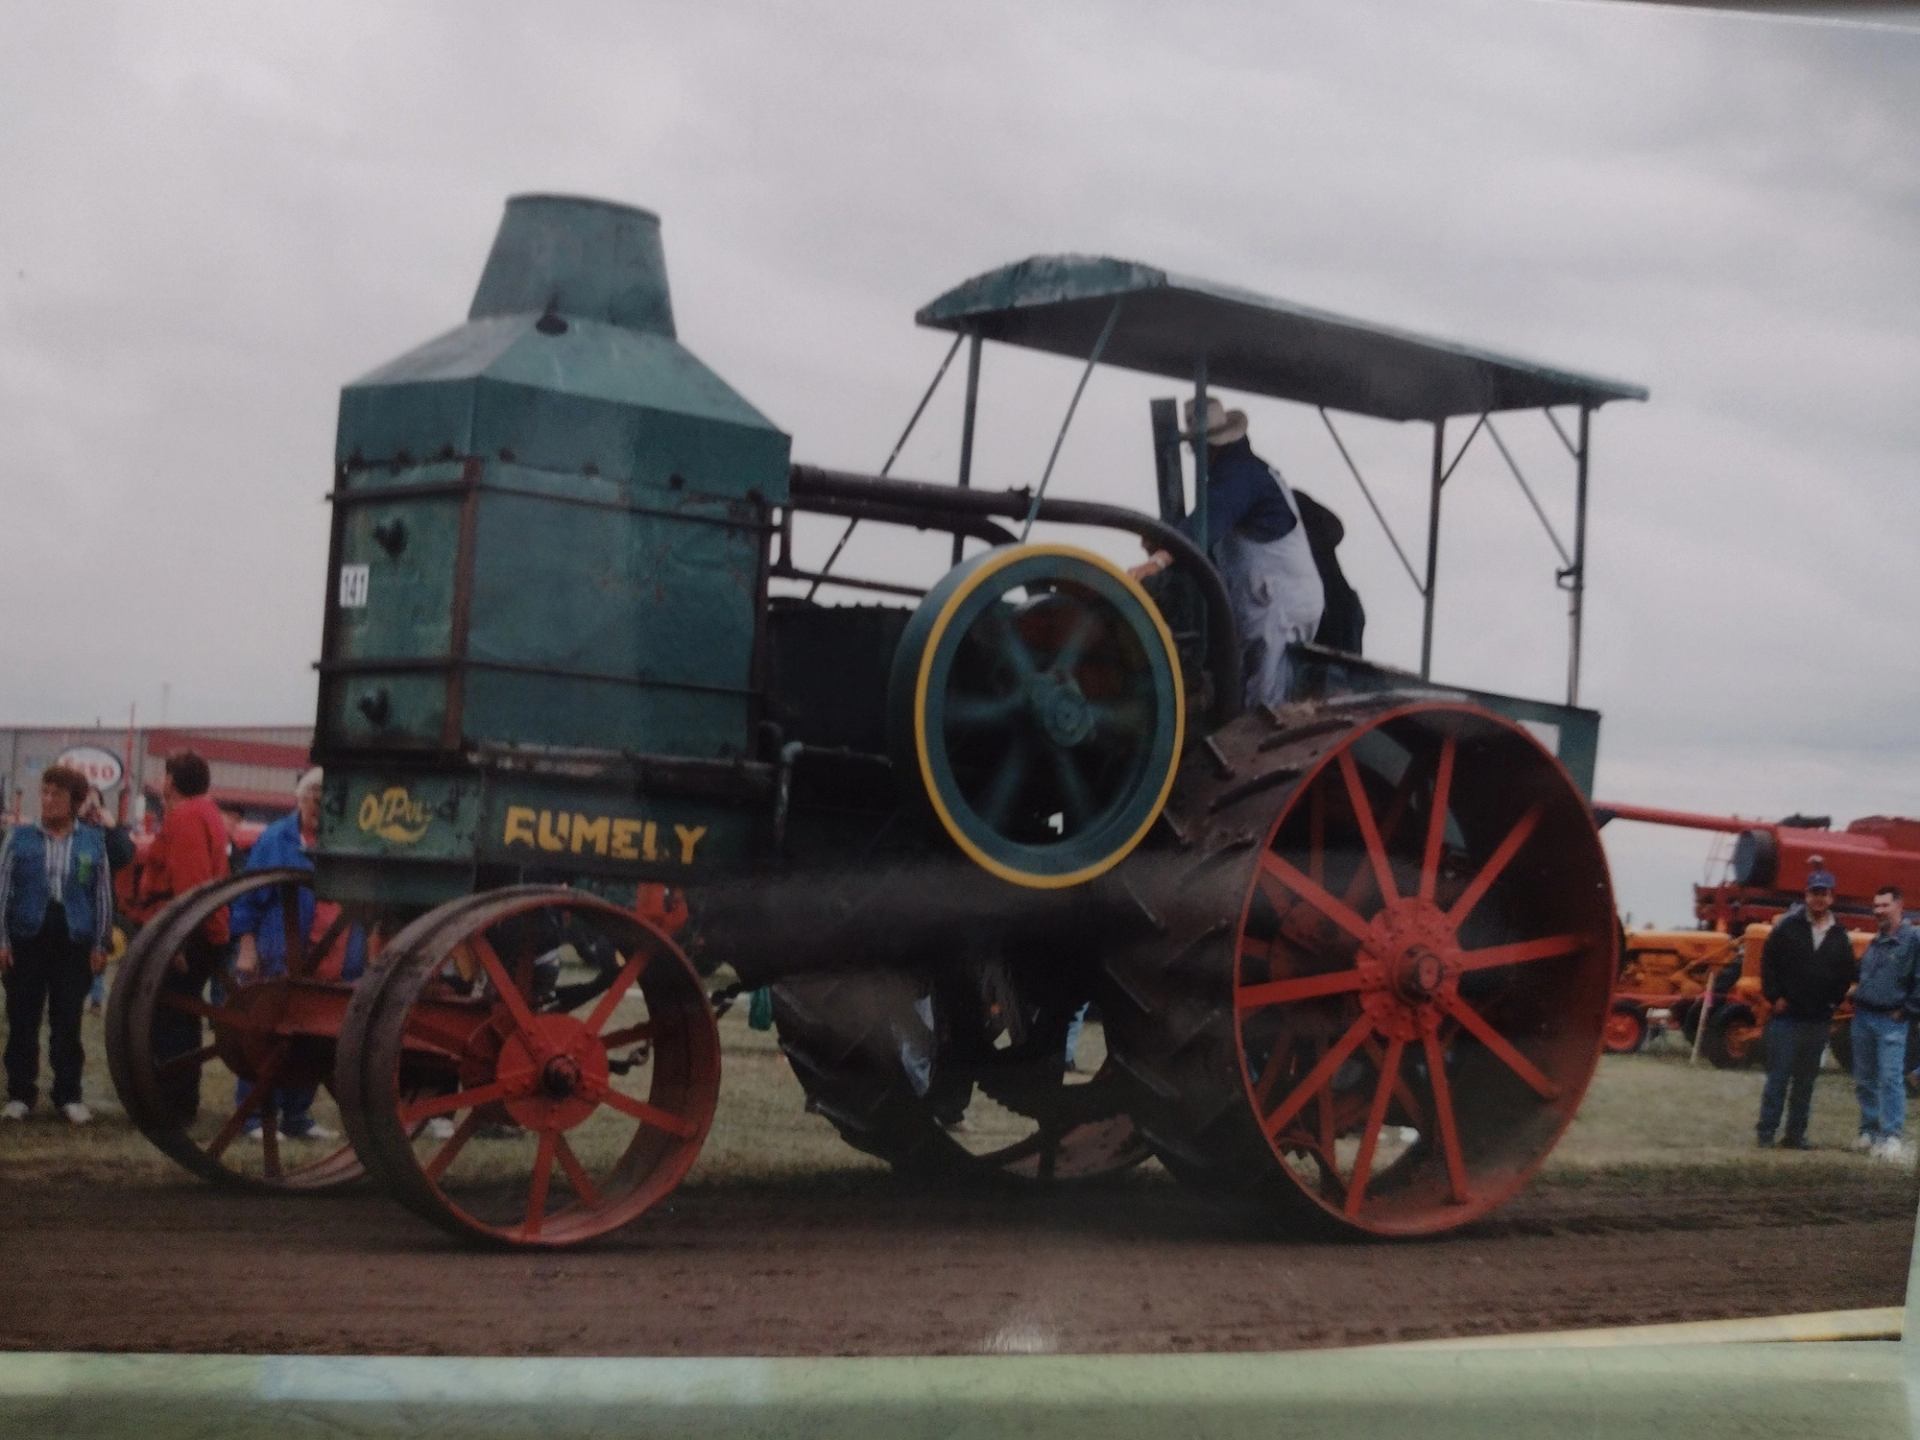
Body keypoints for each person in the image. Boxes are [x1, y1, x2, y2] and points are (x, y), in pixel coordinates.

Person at [1129, 398, 1325, 707]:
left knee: (1263, 704)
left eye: (1196, 446)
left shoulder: (1241, 475)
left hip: (1280, 605)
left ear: (1211, 445)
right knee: (1241, 686)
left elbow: (1207, 521)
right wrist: (1165, 541)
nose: (1194, 453)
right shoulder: (1238, 475)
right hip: (1263, 600)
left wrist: (1157, 561)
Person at [227, 767, 364, 1142]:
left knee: (316, 1033)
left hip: (334, 951)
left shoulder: (348, 840)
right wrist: (247, 945)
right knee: (268, 1028)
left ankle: (296, 1115)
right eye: (314, 800)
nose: (320, 809)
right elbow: (250, 896)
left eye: (328, 802)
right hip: (283, 948)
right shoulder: (277, 838)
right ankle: (254, 1115)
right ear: (300, 800)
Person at [0, 765, 114, 1124]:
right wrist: (2, 939)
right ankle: (20, 1094)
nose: (48, 801)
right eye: (45, 792)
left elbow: (103, 895)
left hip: (73, 938)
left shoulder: (92, 841)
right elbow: (1, 891)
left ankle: (68, 1095)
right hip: (27, 937)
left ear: (76, 802)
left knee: (67, 1020)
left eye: (57, 795)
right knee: (22, 1019)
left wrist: (100, 943)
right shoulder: (19, 838)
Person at [136, 751, 232, 1122]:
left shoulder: (187, 816)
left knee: (173, 1019)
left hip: (185, 931)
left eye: (165, 775)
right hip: (193, 928)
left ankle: (174, 1105)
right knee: (177, 1016)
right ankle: (173, 1100)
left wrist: (175, 940)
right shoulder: (204, 812)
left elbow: (190, 885)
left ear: (171, 781)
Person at [1753, 871, 1855, 1149]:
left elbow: (1845, 973)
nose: (1819, 898)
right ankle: (1766, 1133)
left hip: (1818, 1020)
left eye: (1824, 893)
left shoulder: (1839, 934)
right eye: (1814, 893)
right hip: (1787, 1018)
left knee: (1805, 1082)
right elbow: (1767, 963)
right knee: (1778, 1077)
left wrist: (1833, 1002)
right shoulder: (1787, 927)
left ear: (1831, 897)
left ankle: (1795, 1135)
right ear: (1806, 895)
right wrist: (1774, 997)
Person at [1851, 885, 1919, 1163]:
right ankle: (1869, 1130)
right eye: (1875, 906)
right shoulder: (1876, 940)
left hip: (1892, 1020)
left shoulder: (1913, 939)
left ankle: (1891, 1137)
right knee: (1864, 1078)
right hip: (1863, 1017)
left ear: (1899, 906)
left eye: (1884, 905)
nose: (1878, 911)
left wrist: (1908, 1009)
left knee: (1890, 1079)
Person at [78, 788, 135, 1016]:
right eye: (85, 800)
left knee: (100, 946)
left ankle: (96, 998)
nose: (91, 807)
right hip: (76, 900)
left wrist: (114, 828)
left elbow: (125, 855)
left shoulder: (106, 834)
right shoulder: (72, 829)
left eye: (95, 802)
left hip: (101, 900)